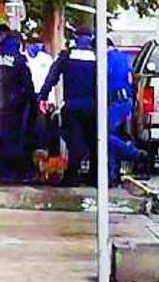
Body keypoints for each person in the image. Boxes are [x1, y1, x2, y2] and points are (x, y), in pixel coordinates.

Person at [39, 26, 98, 185]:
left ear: (75, 37)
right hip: (93, 108)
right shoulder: (97, 57)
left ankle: (72, 176)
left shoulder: (67, 56)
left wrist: (42, 96)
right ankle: (94, 177)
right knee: (94, 142)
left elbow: (52, 77)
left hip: (72, 106)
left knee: (75, 142)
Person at [106, 40, 146, 184]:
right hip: (126, 101)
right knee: (114, 137)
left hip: (114, 102)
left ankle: (134, 154)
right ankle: (112, 175)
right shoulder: (123, 57)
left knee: (105, 138)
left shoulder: (106, 59)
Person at [0, 31, 35, 181]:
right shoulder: (20, 60)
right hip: (12, 107)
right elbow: (27, 85)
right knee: (11, 140)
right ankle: (9, 173)